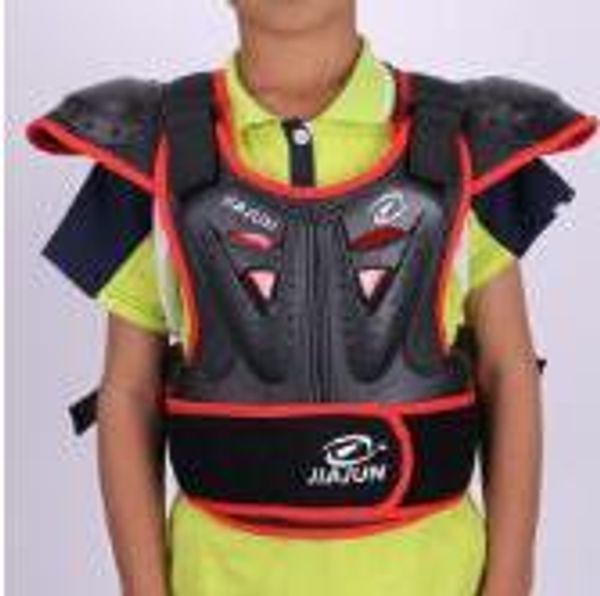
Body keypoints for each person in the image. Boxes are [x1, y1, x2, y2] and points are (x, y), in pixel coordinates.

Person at [25, 1, 597, 595]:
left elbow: (508, 369)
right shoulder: (155, 153)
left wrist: (511, 580)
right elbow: (128, 390)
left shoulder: (465, 145)